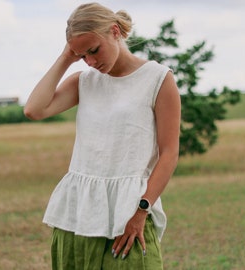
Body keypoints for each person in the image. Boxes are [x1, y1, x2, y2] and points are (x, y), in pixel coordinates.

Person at [24, 2, 180, 269]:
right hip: (77, 212)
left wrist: (142, 211)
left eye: (94, 50)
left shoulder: (157, 79)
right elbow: (34, 109)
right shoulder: (84, 82)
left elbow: (169, 153)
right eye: (82, 55)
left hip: (130, 212)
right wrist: (65, 58)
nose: (92, 62)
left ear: (115, 32)